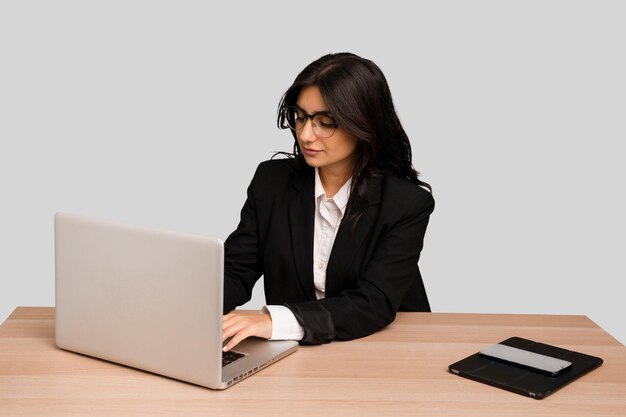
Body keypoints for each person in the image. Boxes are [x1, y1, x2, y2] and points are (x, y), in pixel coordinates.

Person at [222, 52, 434, 351]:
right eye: (301, 117)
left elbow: (372, 304)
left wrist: (274, 322)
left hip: (386, 349)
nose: (306, 134)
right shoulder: (272, 182)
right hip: (299, 353)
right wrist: (186, 306)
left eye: (326, 122)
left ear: (363, 123)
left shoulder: (404, 203)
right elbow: (235, 270)